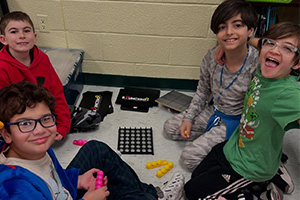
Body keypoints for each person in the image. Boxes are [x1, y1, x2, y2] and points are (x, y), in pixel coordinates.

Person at [0, 81, 185, 200]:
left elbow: (54, 178)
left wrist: (76, 180)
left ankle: (153, 195)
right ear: (6, 134)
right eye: (25, 124)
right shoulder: (17, 190)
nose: (40, 130)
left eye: (46, 119)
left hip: (64, 193)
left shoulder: (34, 149)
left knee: (96, 149)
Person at [184, 21, 300, 200]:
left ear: (296, 63)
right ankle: (269, 177)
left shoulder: (288, 94)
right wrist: (230, 45)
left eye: (287, 48)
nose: (274, 51)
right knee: (197, 175)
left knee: (193, 192)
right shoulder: (265, 70)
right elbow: (258, 42)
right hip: (235, 147)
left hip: (252, 167)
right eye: (270, 43)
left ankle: (261, 191)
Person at [163, 0, 259, 172]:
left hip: (238, 122)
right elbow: (202, 91)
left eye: (237, 25)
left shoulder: (258, 63)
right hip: (215, 111)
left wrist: (249, 41)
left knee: (189, 158)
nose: (229, 32)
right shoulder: (211, 57)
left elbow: (284, 49)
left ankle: (230, 152)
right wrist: (188, 119)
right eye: (222, 27)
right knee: (170, 128)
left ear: (250, 30)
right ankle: (213, 139)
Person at [0, 11, 70, 140]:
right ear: (3, 40)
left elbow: (56, 92)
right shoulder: (2, 68)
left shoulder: (43, 59)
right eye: (14, 32)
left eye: (26, 31)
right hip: (18, 124)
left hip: (40, 116)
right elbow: (3, 109)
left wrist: (62, 125)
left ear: (35, 36)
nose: (22, 36)